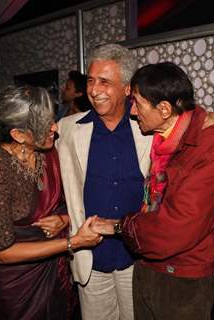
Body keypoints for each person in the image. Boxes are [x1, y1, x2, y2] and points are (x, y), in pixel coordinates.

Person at [90, 62, 214, 320]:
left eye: (138, 103)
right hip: (148, 265)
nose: (132, 111)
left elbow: (177, 226)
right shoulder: (163, 137)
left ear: (163, 109)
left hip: (181, 278)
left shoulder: (207, 143)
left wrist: (120, 227)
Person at [0, 85, 102, 320]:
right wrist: (73, 242)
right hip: (14, 287)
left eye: (51, 119)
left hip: (54, 274)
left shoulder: (48, 151)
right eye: (44, 125)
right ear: (18, 135)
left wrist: (63, 219)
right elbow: (4, 252)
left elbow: (69, 199)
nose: (54, 127)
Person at [56, 43, 149, 320]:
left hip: (138, 257)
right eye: (91, 81)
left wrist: (208, 119)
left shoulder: (149, 127)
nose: (94, 90)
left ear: (127, 88)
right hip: (90, 256)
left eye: (105, 82)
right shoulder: (67, 129)